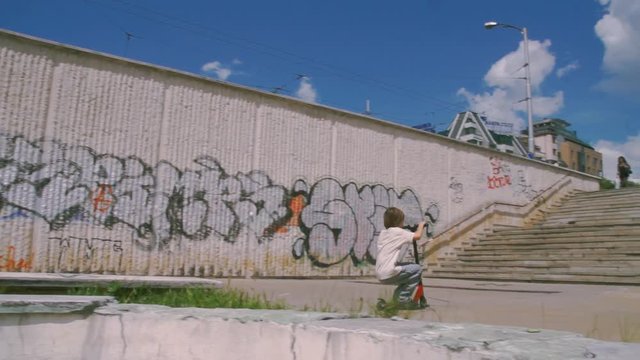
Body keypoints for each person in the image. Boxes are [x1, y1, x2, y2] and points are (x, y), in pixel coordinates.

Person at [375, 207, 429, 309]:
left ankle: (398, 299)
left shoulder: (383, 233)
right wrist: (421, 225)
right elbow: (417, 236)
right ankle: (402, 300)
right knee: (417, 269)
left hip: (380, 272)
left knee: (408, 269)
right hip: (389, 272)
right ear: (398, 221)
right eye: (402, 220)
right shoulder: (398, 232)